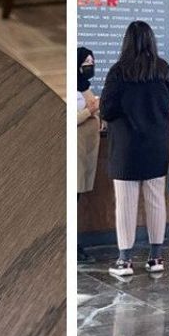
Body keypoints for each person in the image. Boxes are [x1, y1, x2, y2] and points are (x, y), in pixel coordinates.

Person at [101, 21, 169, 277]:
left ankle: (124, 261)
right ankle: (156, 257)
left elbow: (107, 110)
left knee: (125, 203)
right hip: (156, 144)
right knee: (156, 200)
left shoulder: (119, 71)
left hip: (126, 148)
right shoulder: (164, 69)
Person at [76, 47, 101, 262]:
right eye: (85, 62)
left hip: (87, 149)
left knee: (80, 195)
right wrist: (90, 111)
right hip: (76, 148)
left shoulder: (84, 87)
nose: (89, 66)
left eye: (92, 61)